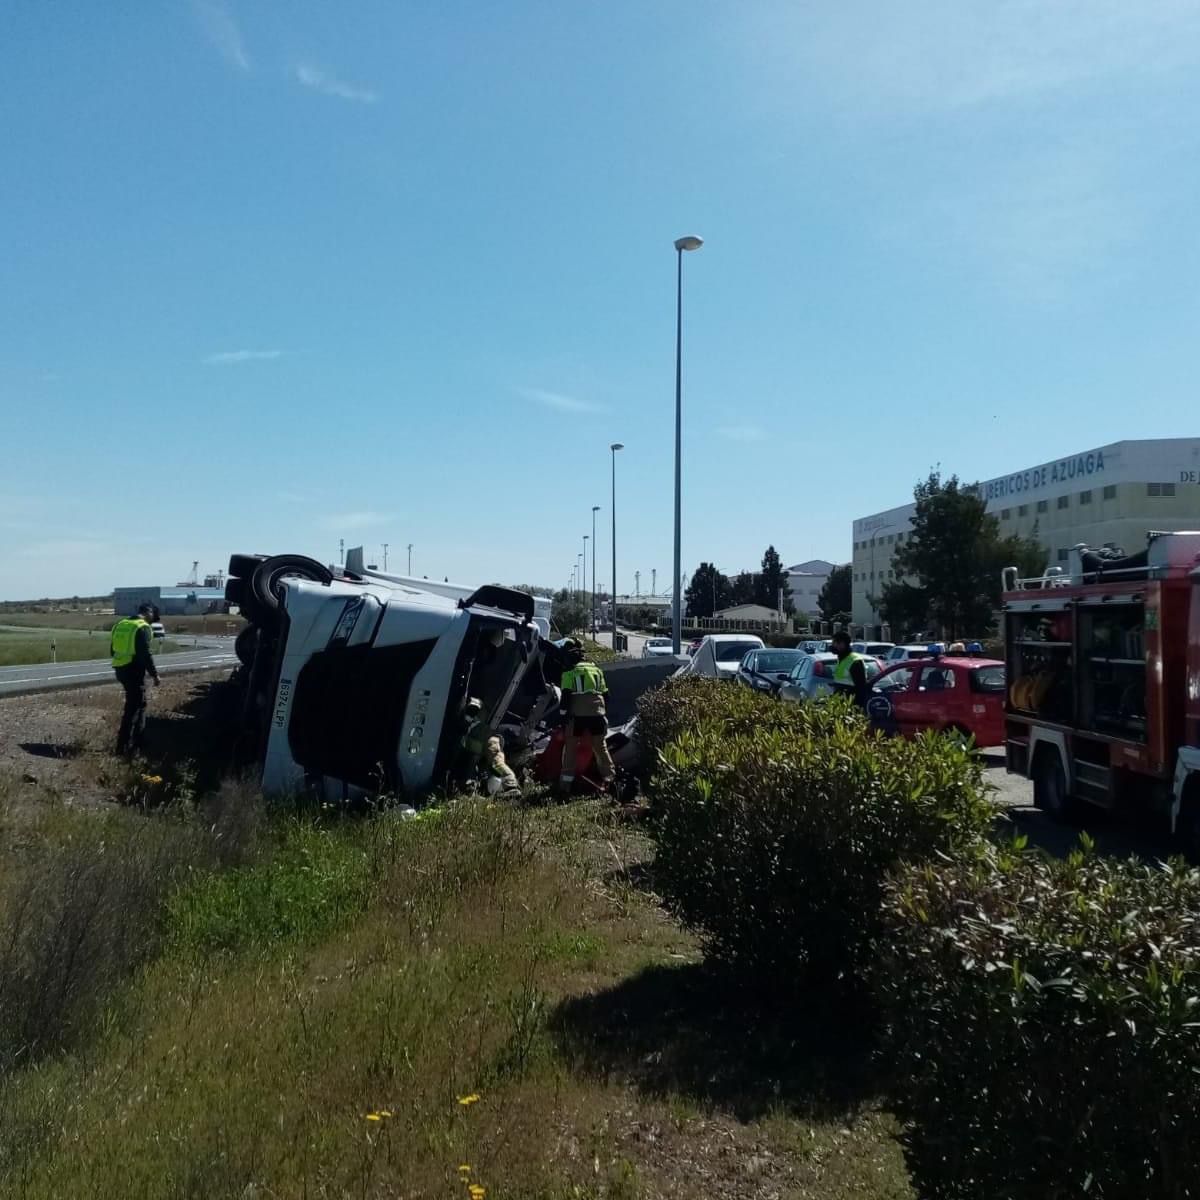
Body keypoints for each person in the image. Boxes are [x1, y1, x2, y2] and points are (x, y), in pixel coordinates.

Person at [558, 639, 615, 792]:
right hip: (597, 714)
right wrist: (602, 713)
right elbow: (606, 695)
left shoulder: (569, 672)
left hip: (577, 716)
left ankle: (565, 785)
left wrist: (563, 716)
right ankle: (611, 780)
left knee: (571, 747)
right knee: (600, 746)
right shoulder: (597, 670)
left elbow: (566, 697)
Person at [110, 603, 161, 755]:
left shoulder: (121, 624)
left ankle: (139, 740)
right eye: (153, 616)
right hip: (133, 670)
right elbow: (145, 654)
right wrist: (155, 675)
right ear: (148, 612)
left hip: (120, 669)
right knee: (133, 709)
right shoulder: (142, 627)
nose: (153, 620)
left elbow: (112, 650)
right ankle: (123, 747)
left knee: (140, 703)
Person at [830, 631, 871, 708]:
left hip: (851, 706)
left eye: (834, 643)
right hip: (842, 705)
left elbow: (861, 688)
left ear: (842, 644)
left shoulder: (855, 661)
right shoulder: (842, 659)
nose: (832, 646)